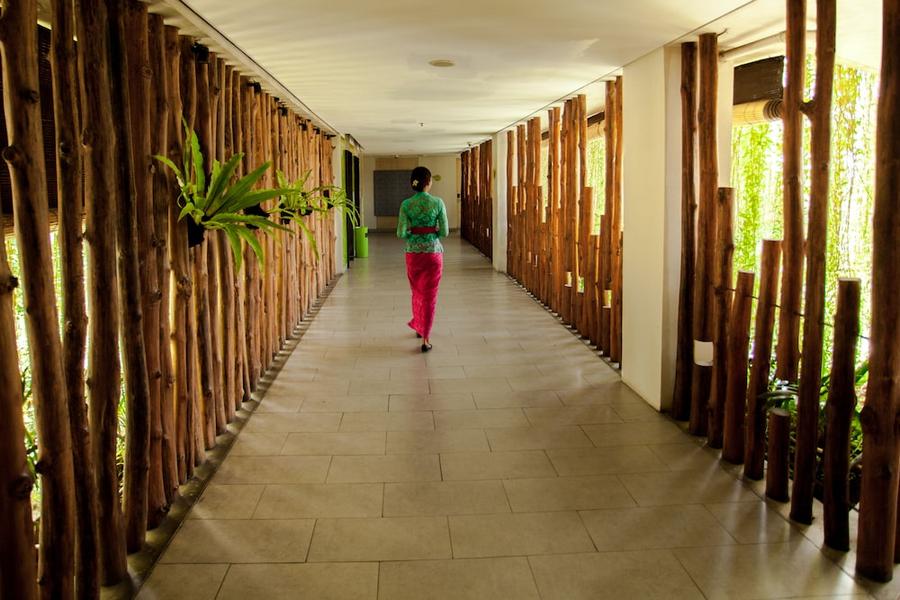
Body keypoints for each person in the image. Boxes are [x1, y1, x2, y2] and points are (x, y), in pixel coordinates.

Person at [397, 166, 449, 352]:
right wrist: (432, 231)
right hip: (433, 253)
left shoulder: (406, 205)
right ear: (428, 182)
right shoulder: (438, 202)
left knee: (417, 292)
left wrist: (413, 231)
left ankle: (419, 327)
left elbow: (401, 233)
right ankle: (426, 339)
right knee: (430, 296)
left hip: (413, 254)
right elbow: (444, 232)